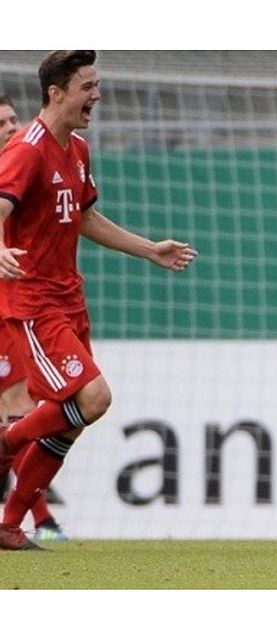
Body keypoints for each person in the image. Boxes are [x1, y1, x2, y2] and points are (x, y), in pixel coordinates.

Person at [0, 51, 198, 550]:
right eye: (88, 86)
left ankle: (9, 524)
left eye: (97, 84)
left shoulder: (78, 149)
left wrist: (149, 249)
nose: (97, 95)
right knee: (93, 398)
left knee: (71, 417)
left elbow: (85, 218)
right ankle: (6, 443)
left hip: (70, 298)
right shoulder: (26, 150)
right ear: (56, 93)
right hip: (34, 301)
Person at [0, 94, 69, 542]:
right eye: (0, 123)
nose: (10, 127)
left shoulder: (26, 168)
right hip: (13, 307)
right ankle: (35, 521)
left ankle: (32, 520)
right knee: (20, 409)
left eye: (12, 118)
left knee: (22, 410)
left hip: (14, 305)